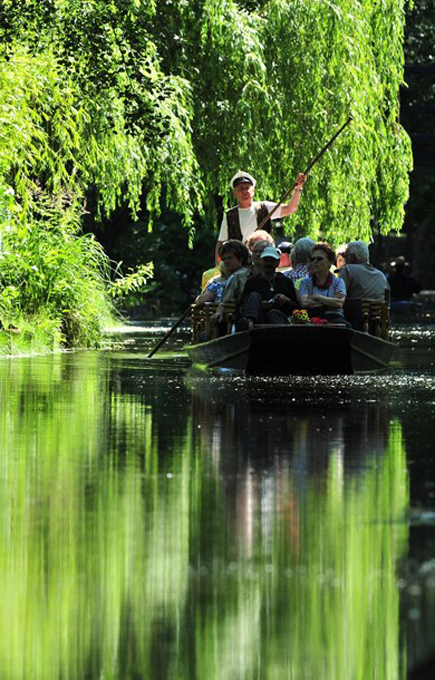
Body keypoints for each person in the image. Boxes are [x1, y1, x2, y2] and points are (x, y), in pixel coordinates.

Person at [215, 170, 307, 264]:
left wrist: (298, 188)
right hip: (240, 263)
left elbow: (290, 209)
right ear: (234, 193)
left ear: (253, 191)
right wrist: (218, 265)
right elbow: (221, 242)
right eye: (240, 189)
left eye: (247, 188)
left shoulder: (264, 208)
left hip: (265, 259)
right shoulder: (229, 215)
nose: (244, 191)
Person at [237, 246, 299, 329]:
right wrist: (259, 305)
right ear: (261, 261)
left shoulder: (285, 282)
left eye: (272, 260)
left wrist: (286, 300)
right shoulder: (252, 281)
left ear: (277, 262)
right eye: (266, 260)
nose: (268, 263)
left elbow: (296, 308)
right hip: (258, 319)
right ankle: (249, 322)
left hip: (277, 319)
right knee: (254, 296)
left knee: (273, 313)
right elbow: (241, 306)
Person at [298, 243, 348, 324]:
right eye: (312, 259)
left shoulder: (339, 282)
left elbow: (339, 303)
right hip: (312, 319)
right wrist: (330, 302)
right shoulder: (305, 283)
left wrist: (317, 297)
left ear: (330, 262)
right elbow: (304, 303)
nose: (315, 262)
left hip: (335, 319)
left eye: (319, 259)